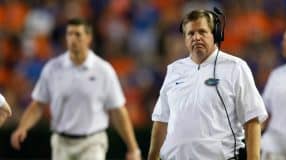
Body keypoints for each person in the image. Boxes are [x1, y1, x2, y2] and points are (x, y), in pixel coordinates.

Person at [11, 18, 141, 160]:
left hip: (92, 142)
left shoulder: (103, 70)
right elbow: (38, 104)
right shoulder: (53, 68)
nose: (73, 39)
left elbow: (118, 110)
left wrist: (132, 147)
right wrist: (23, 127)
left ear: (88, 38)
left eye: (78, 34)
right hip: (61, 143)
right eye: (69, 34)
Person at [147, 9, 268, 160]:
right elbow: (161, 120)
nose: (196, 37)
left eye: (202, 32)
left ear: (215, 35)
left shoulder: (235, 67)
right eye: (191, 33)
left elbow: (252, 120)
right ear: (185, 39)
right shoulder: (174, 70)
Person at [261, 26, 286, 160]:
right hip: (273, 150)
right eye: (283, 39)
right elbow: (263, 112)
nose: (283, 43)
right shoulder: (277, 75)